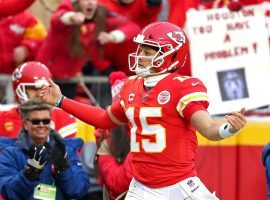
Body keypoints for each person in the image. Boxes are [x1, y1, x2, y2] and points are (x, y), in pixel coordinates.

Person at [40, 22, 247, 200]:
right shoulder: (132, 86)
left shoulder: (183, 86)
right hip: (142, 188)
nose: (140, 56)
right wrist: (61, 100)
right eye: (140, 50)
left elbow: (209, 128)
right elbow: (105, 118)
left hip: (180, 186)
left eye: (147, 52)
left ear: (172, 55)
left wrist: (228, 129)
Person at [36, 0, 140, 99]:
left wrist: (112, 36)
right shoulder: (69, 8)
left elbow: (133, 27)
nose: (90, 2)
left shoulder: (101, 15)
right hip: (45, 75)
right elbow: (57, 19)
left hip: (69, 79)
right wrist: (71, 17)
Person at [0, 99, 90, 200]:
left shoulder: (66, 151)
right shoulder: (10, 154)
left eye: (46, 121)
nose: (41, 125)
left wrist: (63, 168)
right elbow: (8, 193)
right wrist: (28, 174)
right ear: (25, 124)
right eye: (35, 121)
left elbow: (78, 191)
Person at [0, 61, 77, 139]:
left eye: (43, 88)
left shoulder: (62, 118)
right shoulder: (2, 119)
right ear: (18, 89)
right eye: (33, 89)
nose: (39, 94)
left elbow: (67, 150)